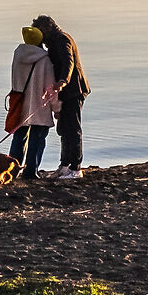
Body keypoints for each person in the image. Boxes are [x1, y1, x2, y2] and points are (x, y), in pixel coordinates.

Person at [32, 14, 92, 181]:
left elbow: (68, 62)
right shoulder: (53, 42)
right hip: (66, 92)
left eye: (41, 32)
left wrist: (63, 81)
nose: (41, 38)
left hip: (74, 90)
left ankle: (75, 168)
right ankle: (64, 165)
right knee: (64, 128)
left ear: (48, 28)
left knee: (73, 129)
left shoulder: (62, 39)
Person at [9, 25, 59, 178]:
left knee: (19, 137)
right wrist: (56, 107)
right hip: (39, 105)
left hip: (20, 102)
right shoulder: (44, 59)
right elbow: (50, 87)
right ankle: (31, 171)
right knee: (38, 138)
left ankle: (12, 170)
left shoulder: (18, 55)